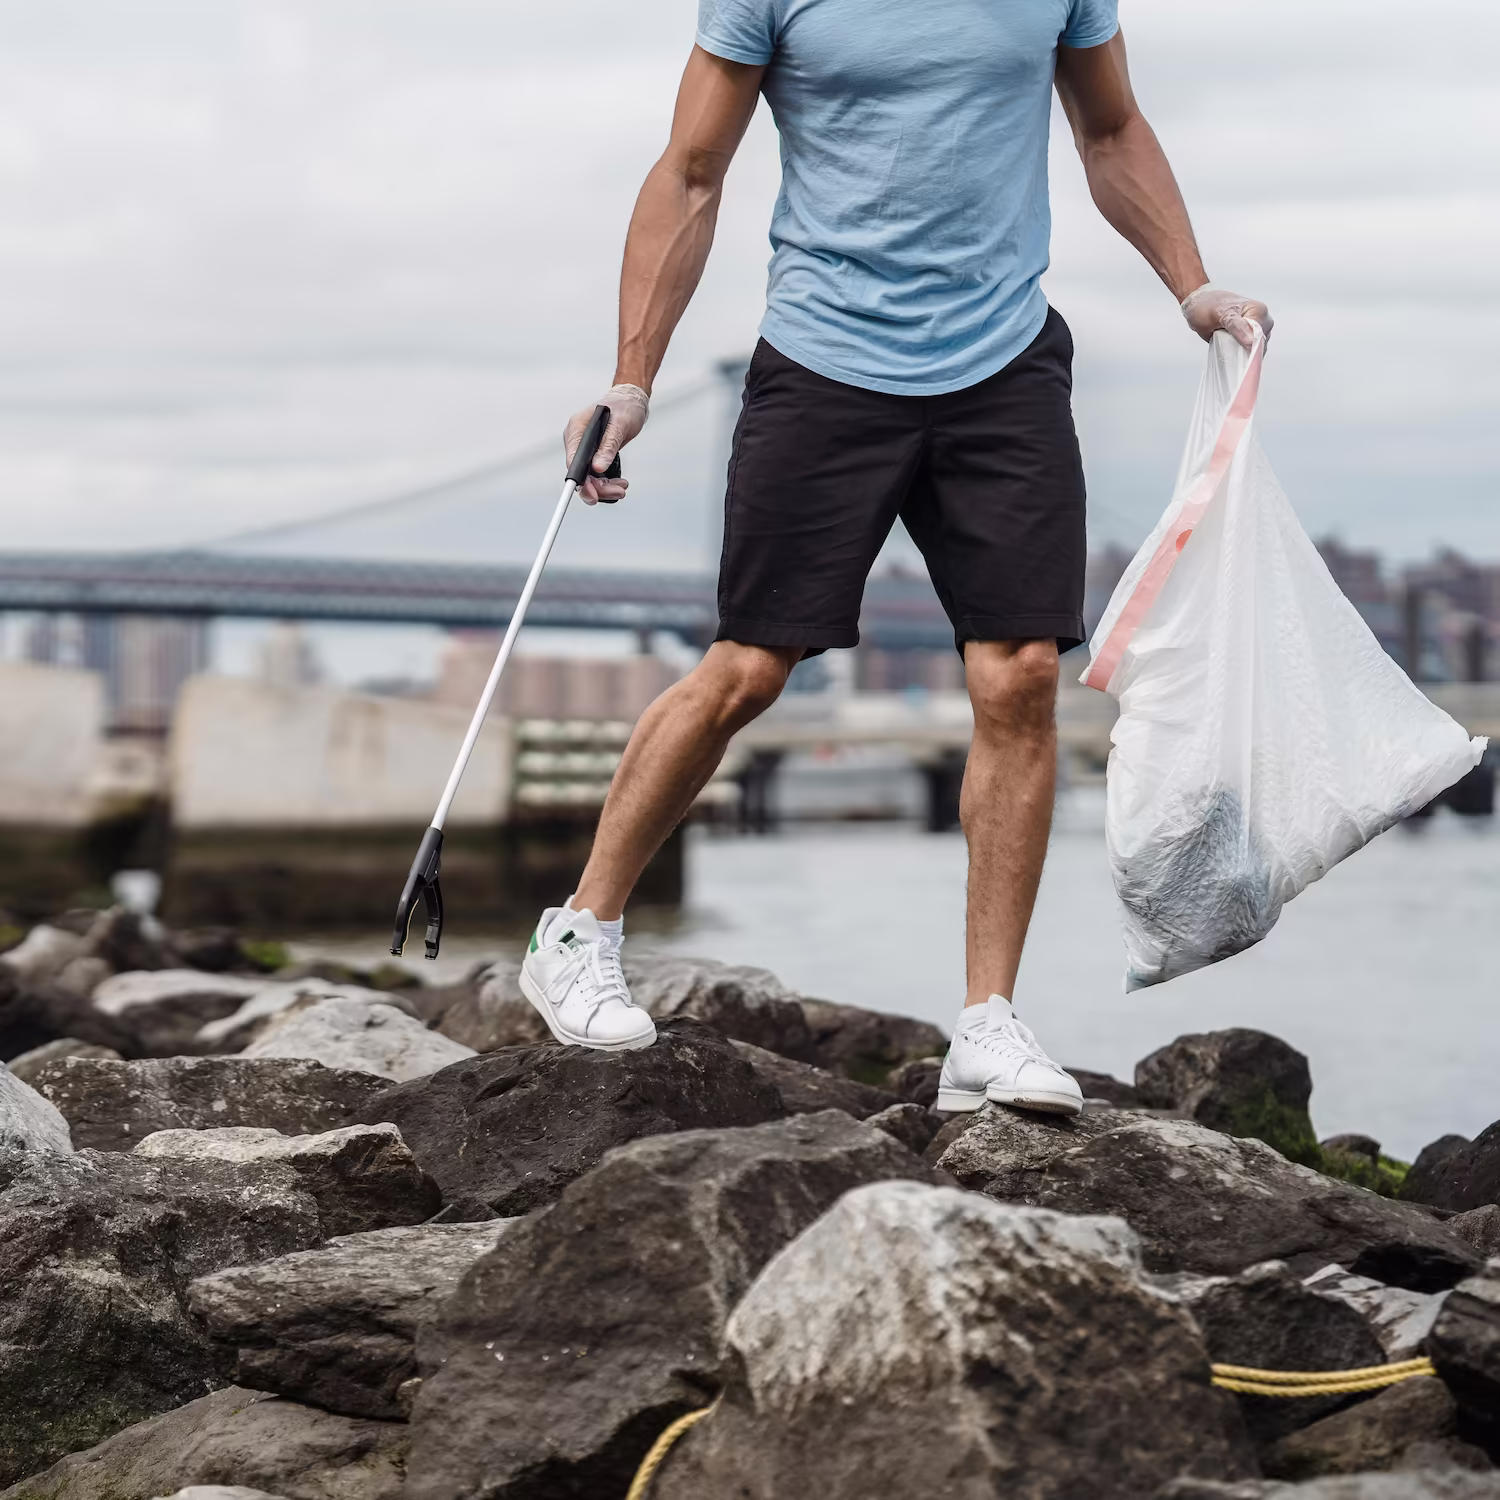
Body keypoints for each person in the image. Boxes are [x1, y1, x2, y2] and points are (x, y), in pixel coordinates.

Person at [518, 0, 1271, 1114]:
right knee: (748, 670)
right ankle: (578, 935)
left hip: (1004, 363)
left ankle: (987, 1025)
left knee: (1017, 673)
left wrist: (1190, 284)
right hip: (823, 361)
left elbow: (1109, 133)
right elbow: (690, 171)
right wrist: (632, 381)